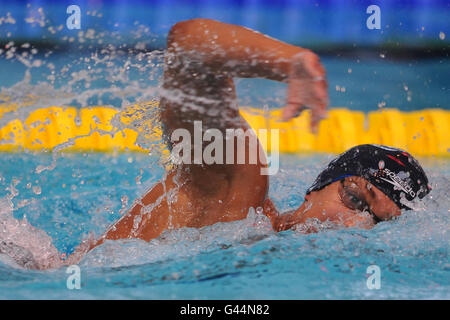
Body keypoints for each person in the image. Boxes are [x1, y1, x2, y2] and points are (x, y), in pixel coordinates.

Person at [1, 19, 431, 269]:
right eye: (356, 198)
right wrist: (288, 62)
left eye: (377, 223)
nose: (354, 226)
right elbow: (189, 43)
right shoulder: (238, 196)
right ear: (321, 183)